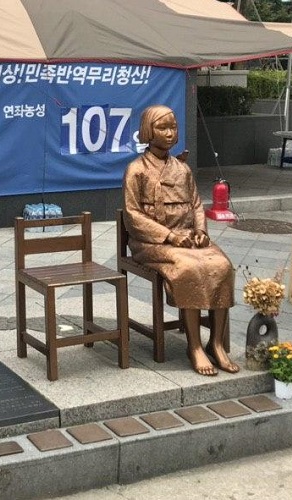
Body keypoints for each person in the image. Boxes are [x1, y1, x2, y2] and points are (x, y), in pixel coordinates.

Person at [122, 105, 238, 376]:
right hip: (153, 243)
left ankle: (216, 343)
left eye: (173, 127)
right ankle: (194, 346)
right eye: (162, 127)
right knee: (188, 268)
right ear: (148, 131)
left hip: (188, 238)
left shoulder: (182, 169)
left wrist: (200, 231)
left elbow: (196, 204)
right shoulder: (136, 169)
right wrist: (170, 235)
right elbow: (132, 214)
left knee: (222, 265)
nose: (170, 133)